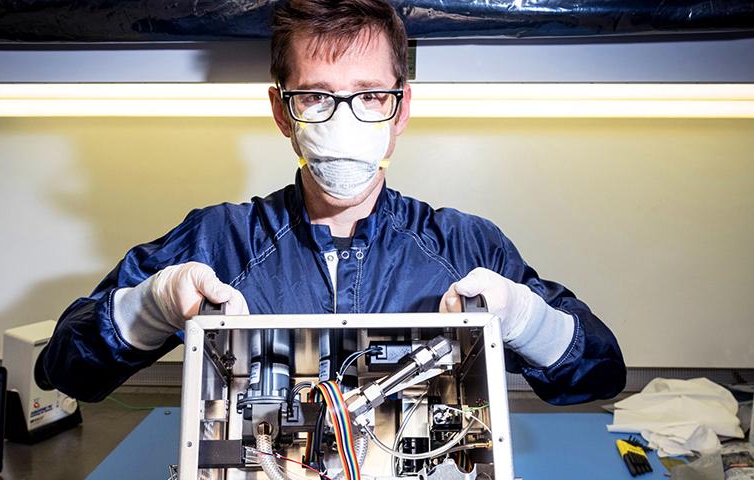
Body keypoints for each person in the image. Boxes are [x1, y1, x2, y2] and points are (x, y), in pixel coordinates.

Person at [37, 0, 625, 405]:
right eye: (317, 96)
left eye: (370, 95)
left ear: (401, 110)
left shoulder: (463, 247)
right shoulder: (220, 243)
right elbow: (64, 369)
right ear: (280, 111)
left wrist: (524, 319)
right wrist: (152, 305)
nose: (344, 120)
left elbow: (600, 370)